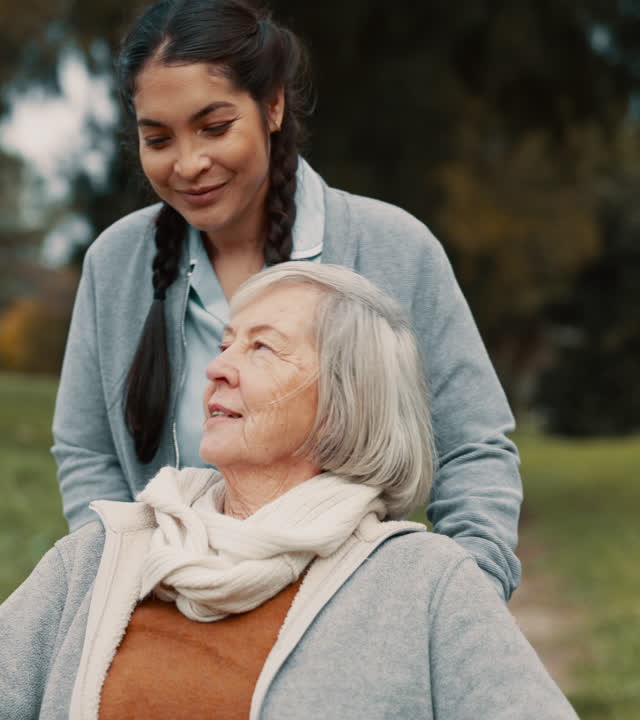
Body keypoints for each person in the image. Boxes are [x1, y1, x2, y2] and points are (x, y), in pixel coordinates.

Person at [0, 263, 574, 719]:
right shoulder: (104, 555)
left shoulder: (423, 583)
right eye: (223, 344)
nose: (216, 369)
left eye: (261, 349)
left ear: (344, 401)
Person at [53, 0, 523, 599]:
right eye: (158, 138)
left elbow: (472, 445)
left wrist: (471, 592)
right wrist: (128, 588)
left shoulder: (393, 248)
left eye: (215, 127)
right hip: (172, 612)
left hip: (351, 613)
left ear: (272, 105)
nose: (190, 163)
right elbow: (86, 451)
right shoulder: (116, 263)